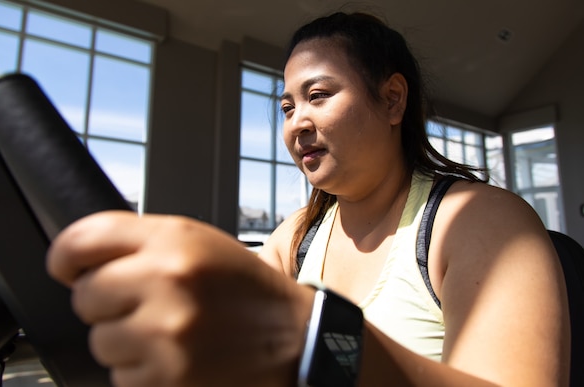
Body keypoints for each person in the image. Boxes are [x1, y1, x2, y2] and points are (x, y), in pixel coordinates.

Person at [46, 11, 570, 387]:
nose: (297, 122)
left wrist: (306, 336)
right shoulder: (297, 236)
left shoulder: (479, 219)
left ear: (392, 100)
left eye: (318, 96)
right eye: (286, 106)